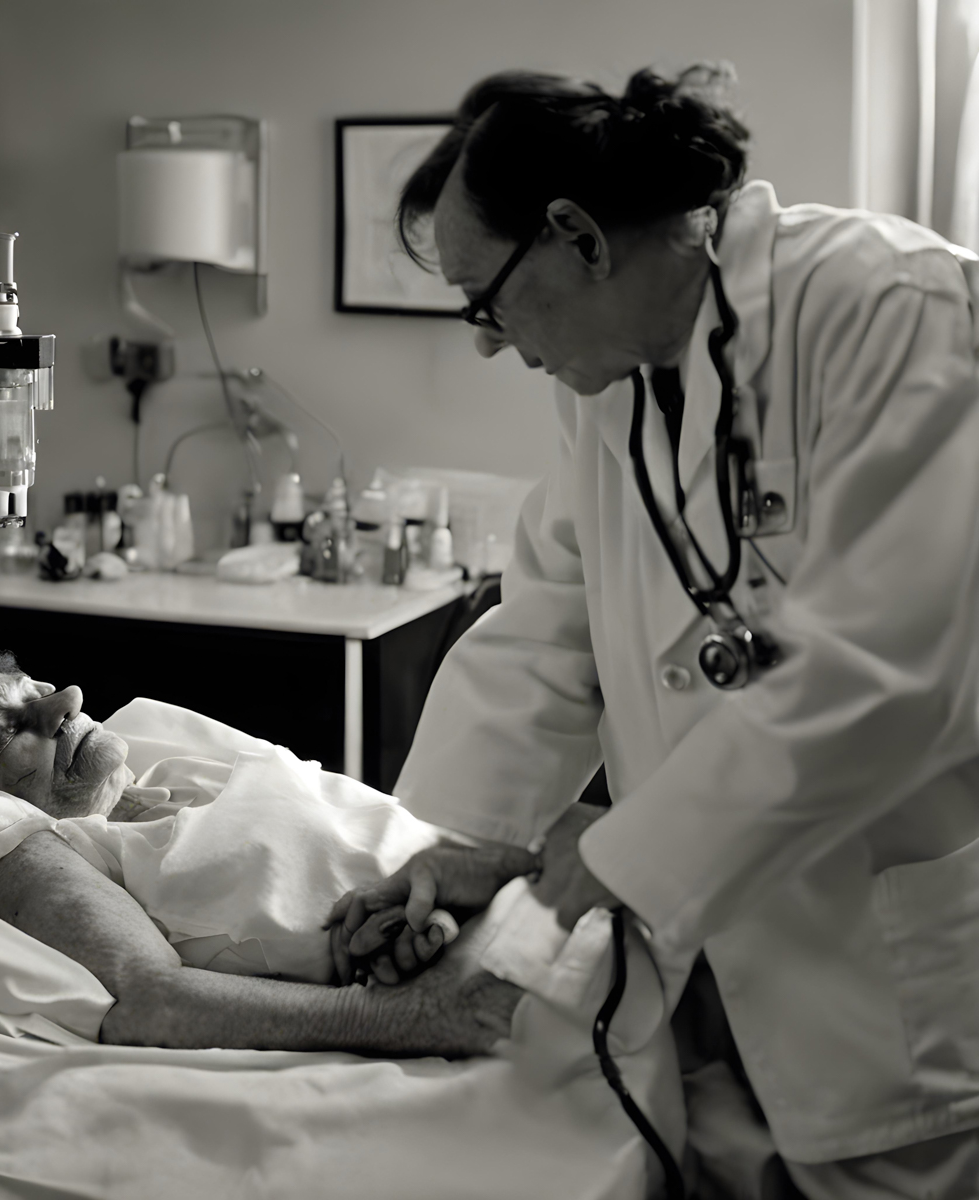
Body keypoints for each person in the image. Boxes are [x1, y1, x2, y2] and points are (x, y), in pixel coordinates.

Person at [343, 63, 979, 1198]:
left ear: (577, 236)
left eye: (486, 303)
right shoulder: (609, 384)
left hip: (887, 961)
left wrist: (613, 856)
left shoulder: (885, 303)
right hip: (707, 949)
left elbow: (888, 671)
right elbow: (548, 632)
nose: (486, 343)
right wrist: (442, 853)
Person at [0, 620, 536, 1060]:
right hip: (493, 986)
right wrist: (415, 1014)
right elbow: (151, 1000)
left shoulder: (166, 754)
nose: (65, 702)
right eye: (2, 731)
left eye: (33, 689)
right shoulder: (12, 836)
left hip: (523, 896)